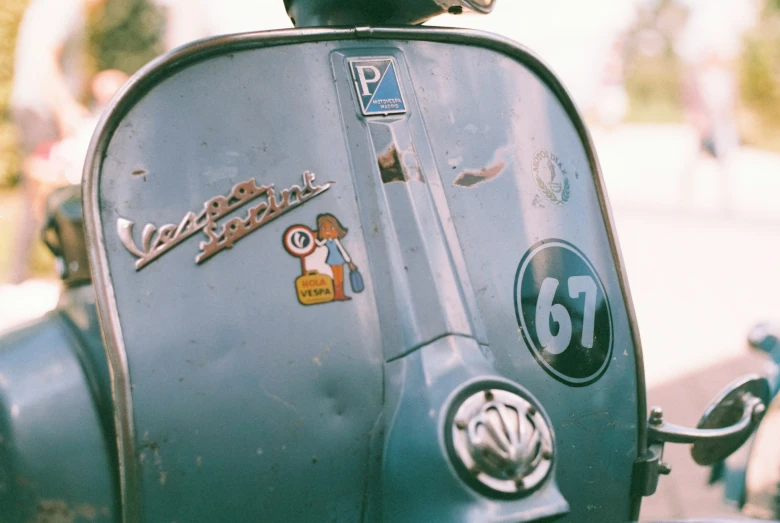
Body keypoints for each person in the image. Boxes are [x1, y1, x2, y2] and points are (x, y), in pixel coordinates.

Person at [8, 0, 102, 283]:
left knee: (38, 190)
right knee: (52, 186)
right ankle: (65, 272)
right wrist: (65, 109)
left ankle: (21, 275)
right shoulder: (64, 6)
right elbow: (45, 58)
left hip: (35, 105)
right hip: (42, 108)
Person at [314, 213, 355, 301]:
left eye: (331, 228)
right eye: (324, 228)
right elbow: (320, 244)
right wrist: (313, 239)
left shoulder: (336, 240)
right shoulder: (325, 240)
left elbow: (342, 250)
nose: (328, 231)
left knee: (340, 276)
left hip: (339, 259)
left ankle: (340, 294)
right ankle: (336, 294)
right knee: (334, 277)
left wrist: (349, 261)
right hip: (332, 260)